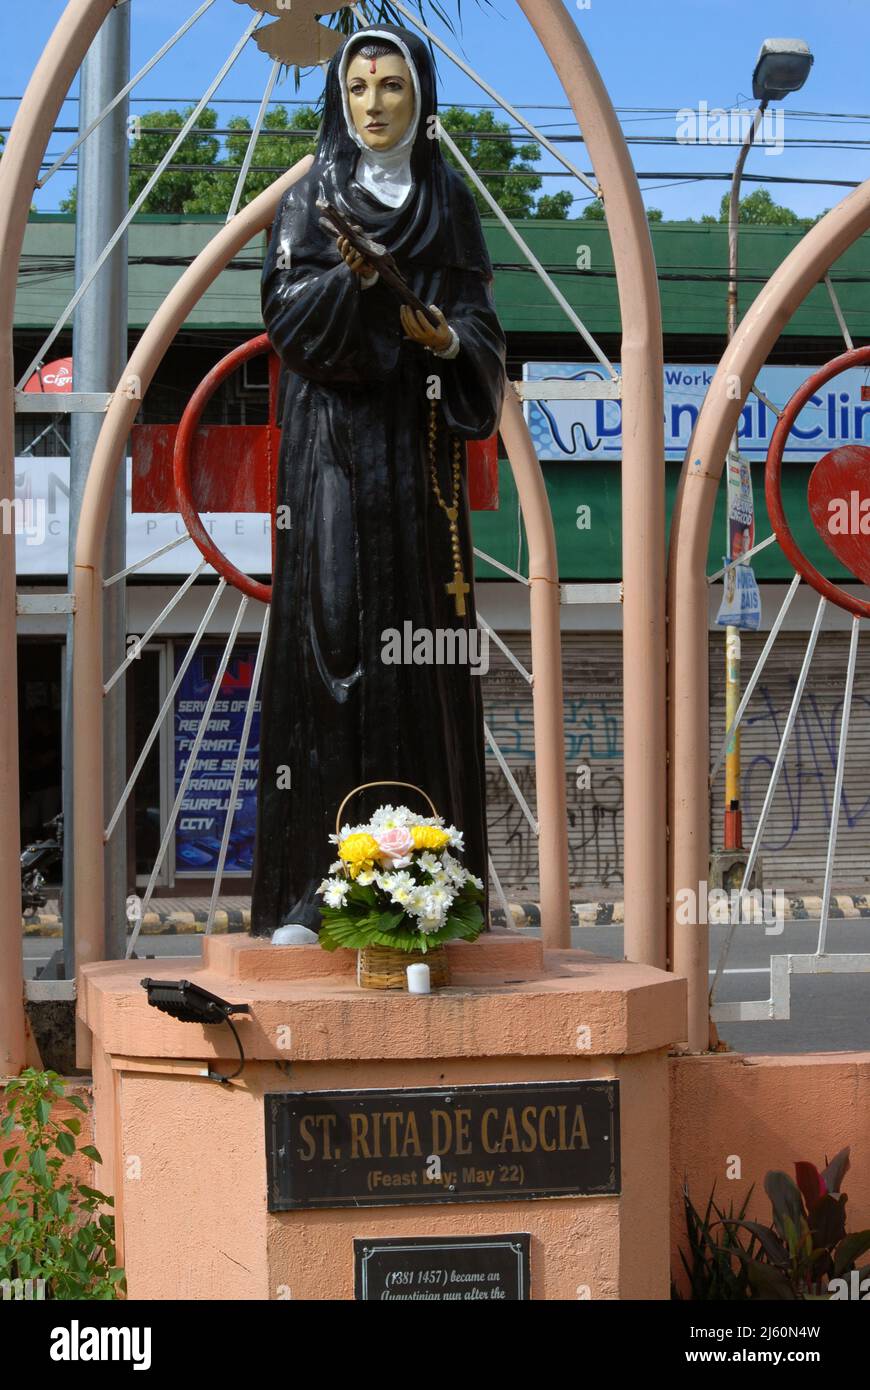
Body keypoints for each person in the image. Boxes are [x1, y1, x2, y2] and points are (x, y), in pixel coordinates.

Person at [251, 24, 506, 935]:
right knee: (333, 642)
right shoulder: (308, 202)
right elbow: (287, 321)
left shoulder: (450, 202)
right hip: (329, 457)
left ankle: (433, 887)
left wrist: (442, 338)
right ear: (339, 99)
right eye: (357, 87)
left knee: (424, 650)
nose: (372, 103)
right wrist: (357, 288)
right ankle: (315, 888)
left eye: (391, 86)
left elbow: (480, 333)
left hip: (418, 455)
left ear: (420, 98)